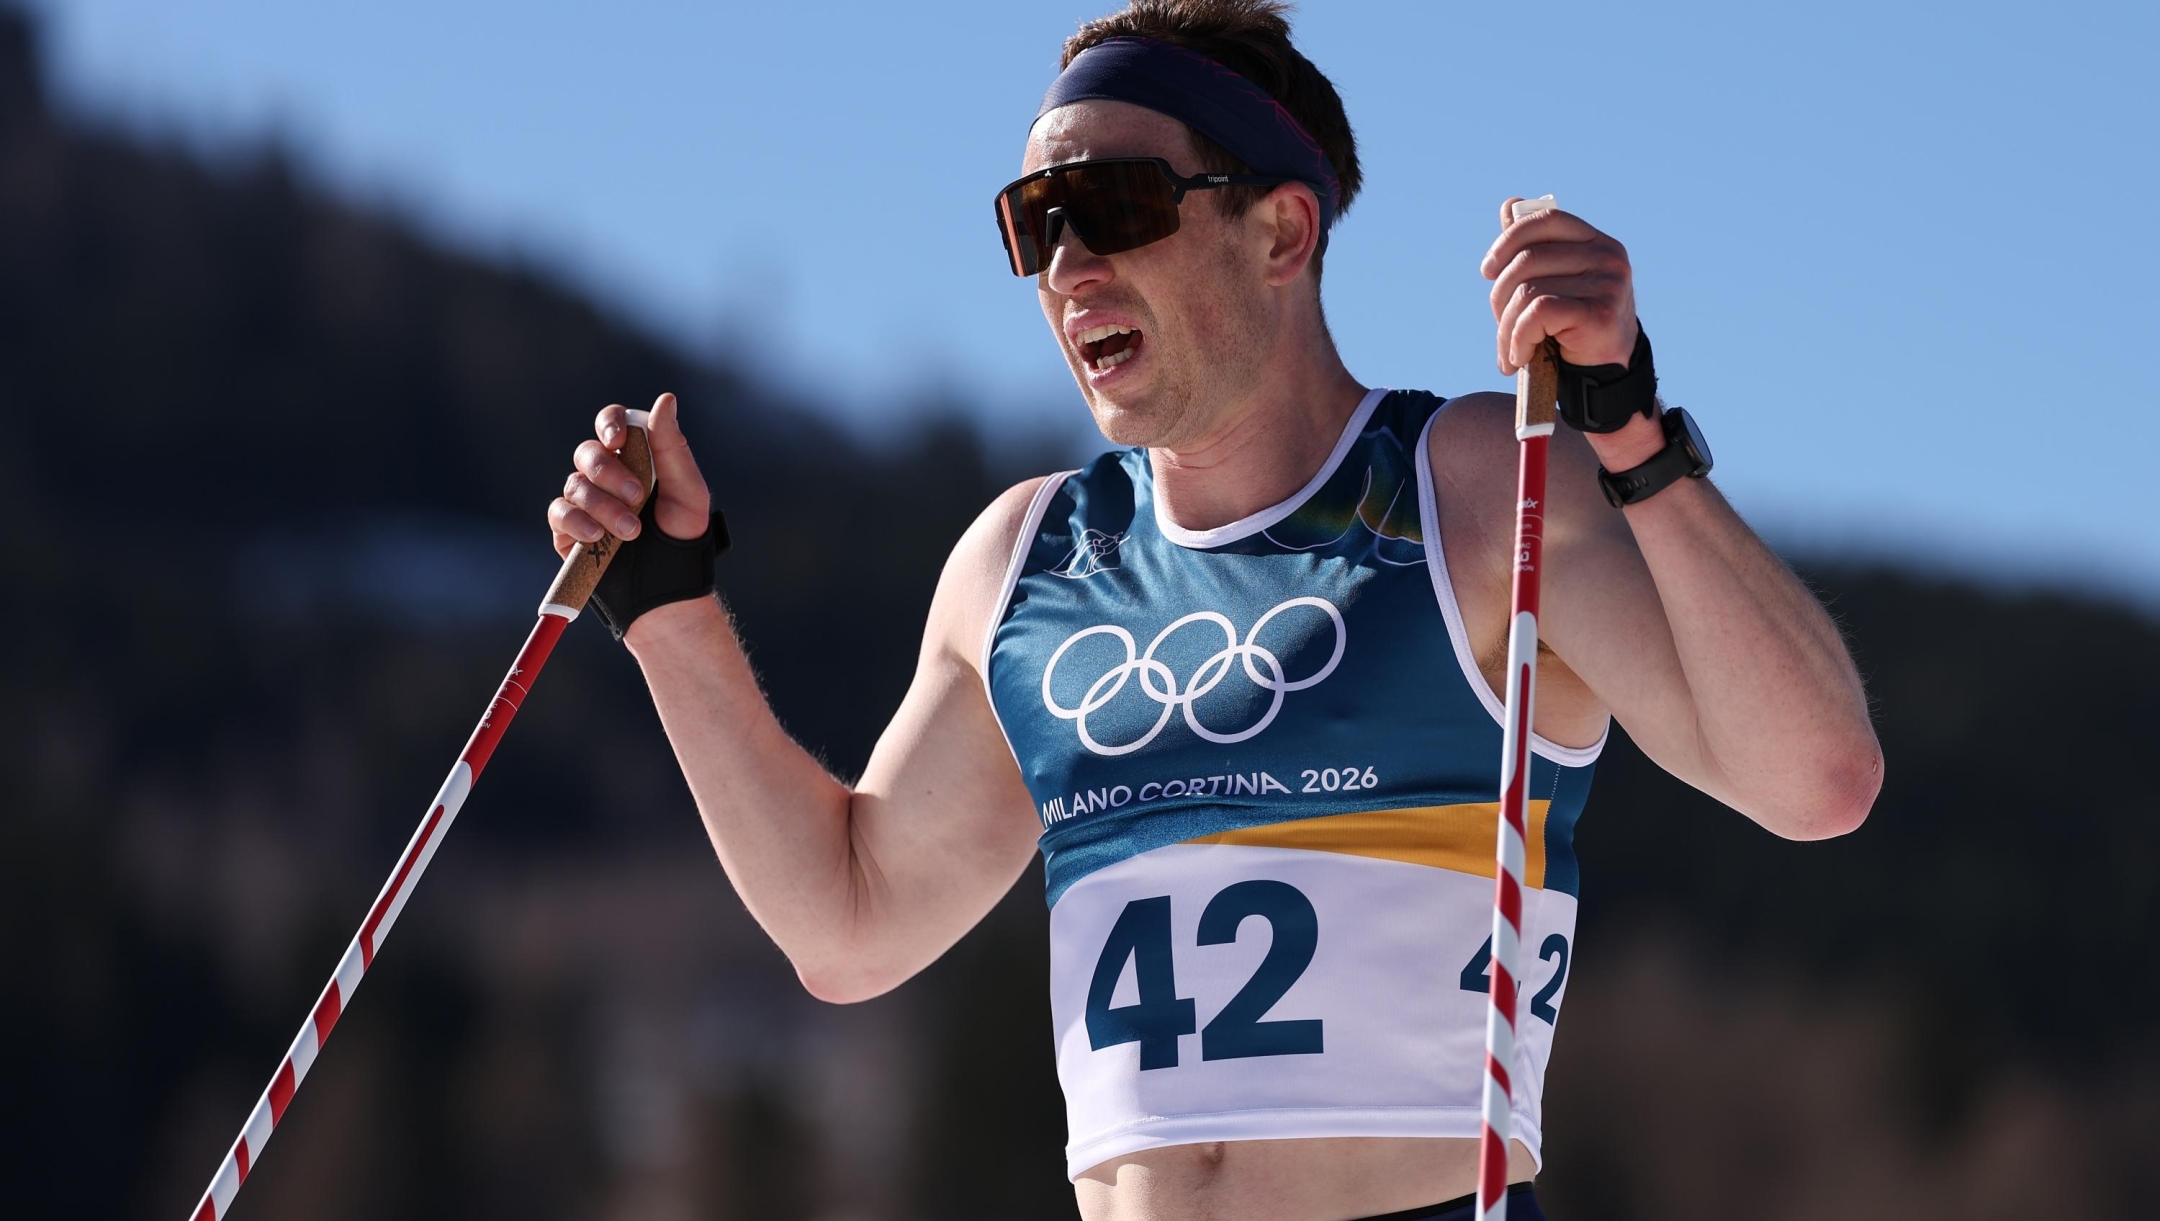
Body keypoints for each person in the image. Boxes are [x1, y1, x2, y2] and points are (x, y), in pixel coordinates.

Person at [546, 2, 1882, 1217]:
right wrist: (669, 608)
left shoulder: (1475, 483)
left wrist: (1629, 431)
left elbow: (1816, 778)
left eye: (1116, 204)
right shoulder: (1026, 561)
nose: (1069, 266)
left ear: (1281, 232)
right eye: (1035, 223)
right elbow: (850, 925)